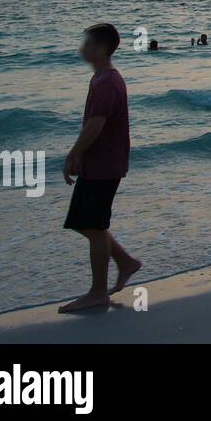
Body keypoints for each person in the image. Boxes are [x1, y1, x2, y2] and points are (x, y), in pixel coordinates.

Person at [58, 23, 141, 313]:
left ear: (102, 49)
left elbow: (96, 126)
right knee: (85, 222)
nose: (82, 49)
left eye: (88, 44)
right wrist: (81, 156)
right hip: (100, 163)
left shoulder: (107, 82)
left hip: (105, 164)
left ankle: (97, 292)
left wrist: (72, 154)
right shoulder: (101, 78)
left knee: (93, 225)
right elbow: (93, 125)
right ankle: (125, 261)